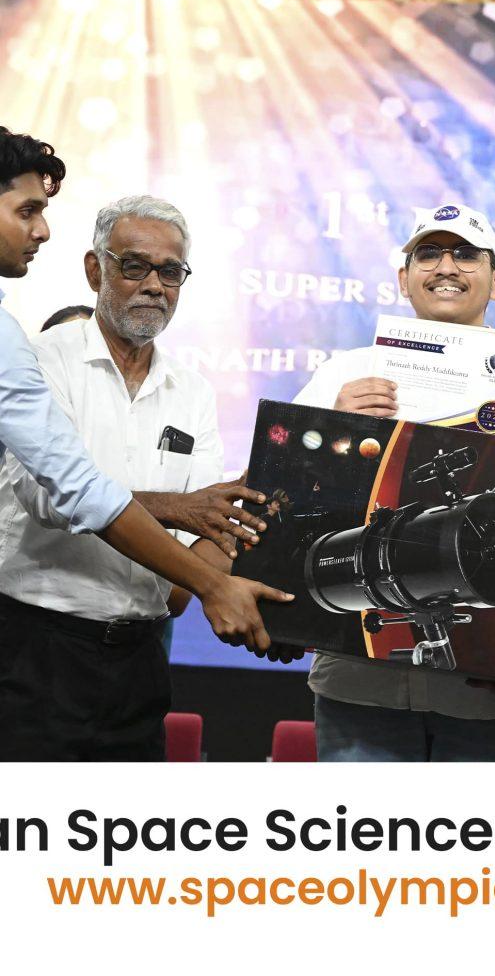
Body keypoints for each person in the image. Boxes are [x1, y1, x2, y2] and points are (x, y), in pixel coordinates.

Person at [0, 191, 296, 760]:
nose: (155, 285)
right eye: (134, 266)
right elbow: (47, 496)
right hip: (35, 651)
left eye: (171, 272)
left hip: (142, 659)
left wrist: (247, 590)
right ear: (95, 270)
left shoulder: (193, 391)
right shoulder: (39, 359)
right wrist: (180, 515)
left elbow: (210, 526)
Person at [293, 202, 495, 762]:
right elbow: (285, 499)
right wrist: (333, 432)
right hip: (360, 680)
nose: (446, 267)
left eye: (466, 255)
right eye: (429, 254)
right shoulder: (342, 376)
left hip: (491, 690)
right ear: (404, 280)